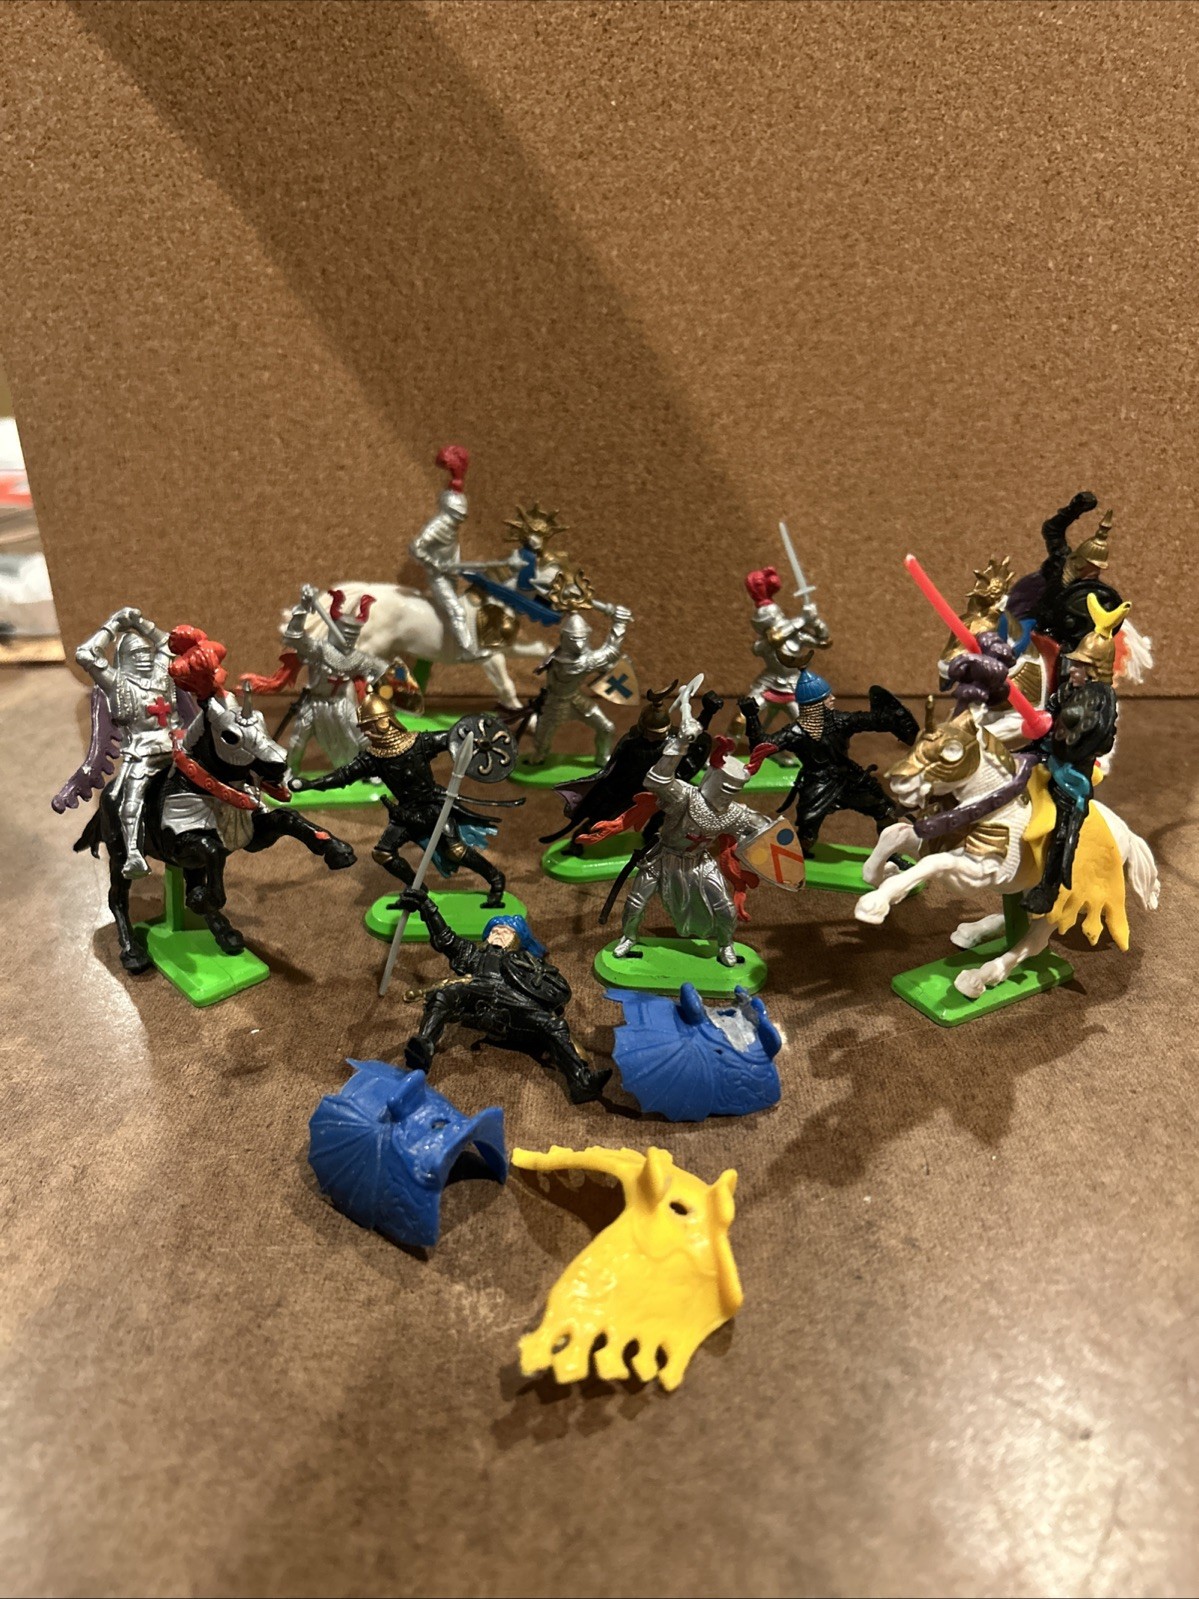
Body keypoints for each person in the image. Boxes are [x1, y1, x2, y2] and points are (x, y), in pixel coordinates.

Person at [396, 888, 611, 1105]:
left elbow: (549, 988)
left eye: (506, 932)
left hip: (514, 999)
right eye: (495, 930)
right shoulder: (476, 955)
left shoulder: (528, 964)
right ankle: (424, 1046)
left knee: (553, 1024)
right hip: (478, 988)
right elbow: (446, 939)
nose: (499, 933)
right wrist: (427, 908)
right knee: (445, 994)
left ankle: (581, 1081)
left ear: (517, 940)